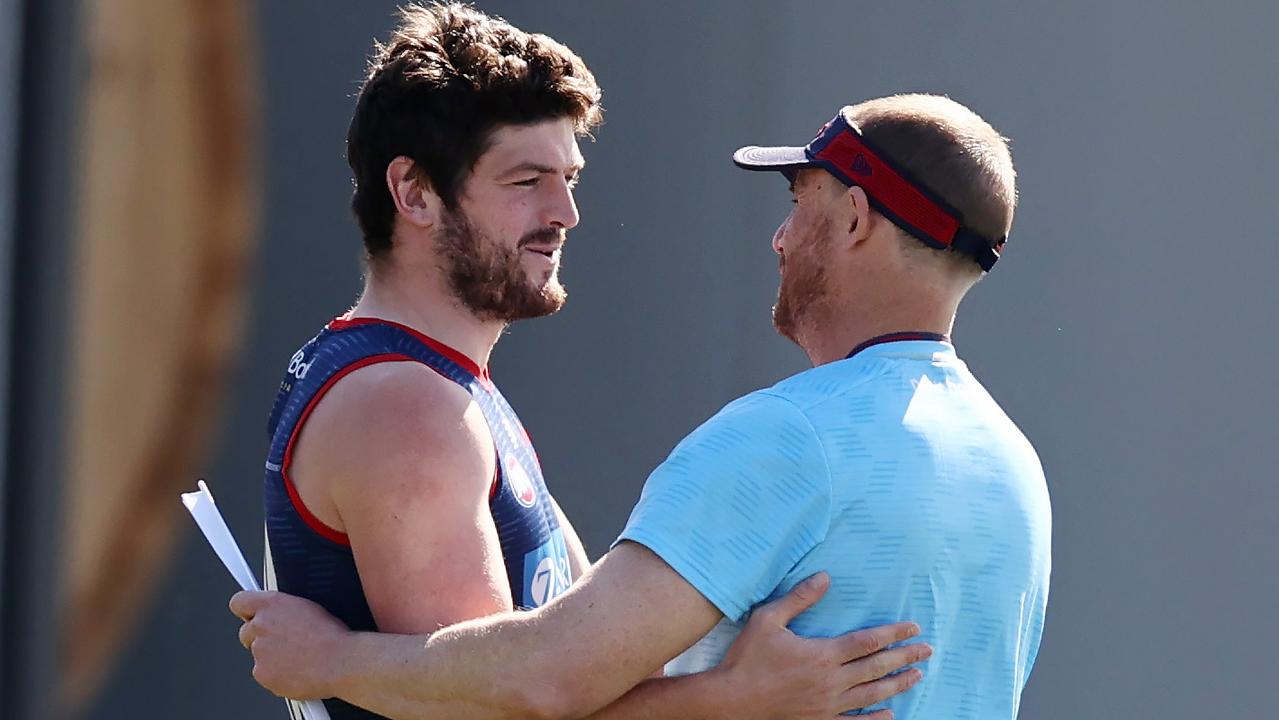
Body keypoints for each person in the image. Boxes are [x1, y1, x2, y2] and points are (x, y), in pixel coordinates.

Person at [234, 89, 1049, 720]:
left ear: (856, 219)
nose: (779, 236)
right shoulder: (1013, 465)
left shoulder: (787, 437)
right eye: (527, 181)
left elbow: (544, 678)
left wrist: (332, 661)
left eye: (798, 201)